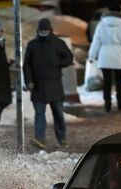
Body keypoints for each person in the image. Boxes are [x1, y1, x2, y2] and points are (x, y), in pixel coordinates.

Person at [23, 18, 74, 150]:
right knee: (39, 114)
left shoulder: (58, 43)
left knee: (58, 114)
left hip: (54, 84)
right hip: (38, 85)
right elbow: (26, 65)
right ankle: (40, 139)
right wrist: (29, 81)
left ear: (50, 30)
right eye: (41, 30)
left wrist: (59, 64)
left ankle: (62, 138)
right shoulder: (32, 45)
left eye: (45, 30)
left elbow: (69, 57)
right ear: (38, 30)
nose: (43, 32)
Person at [88, 5, 121, 112]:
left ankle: (107, 104)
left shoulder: (101, 25)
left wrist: (92, 55)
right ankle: (120, 103)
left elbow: (96, 41)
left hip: (105, 55)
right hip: (119, 55)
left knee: (107, 82)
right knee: (119, 81)